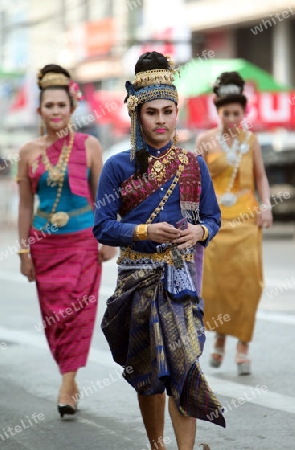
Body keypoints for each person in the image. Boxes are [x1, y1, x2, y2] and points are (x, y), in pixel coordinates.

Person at [93, 52, 225, 450]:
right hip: (136, 278)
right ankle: (156, 443)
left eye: (169, 111)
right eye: (153, 112)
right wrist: (147, 230)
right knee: (148, 369)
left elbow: (213, 219)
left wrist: (198, 232)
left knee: (184, 366)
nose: (162, 120)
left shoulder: (192, 164)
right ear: (137, 114)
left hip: (180, 281)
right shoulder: (118, 167)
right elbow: (102, 227)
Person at [16, 64, 115, 418]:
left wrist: (109, 237)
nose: (56, 112)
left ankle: (68, 382)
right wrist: (24, 250)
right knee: (55, 317)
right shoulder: (27, 151)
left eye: (62, 105)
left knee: (80, 314)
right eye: (49, 106)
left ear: (72, 108)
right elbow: (26, 205)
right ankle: (66, 374)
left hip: (84, 244)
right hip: (45, 247)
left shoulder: (89, 145)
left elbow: (103, 197)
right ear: (40, 110)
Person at [196, 71, 273, 376]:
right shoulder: (204, 141)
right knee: (215, 285)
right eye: (225, 112)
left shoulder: (251, 140)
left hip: (246, 220)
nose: (231, 118)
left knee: (248, 284)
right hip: (215, 221)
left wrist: (266, 205)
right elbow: (195, 183)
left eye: (236, 113)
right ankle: (219, 337)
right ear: (218, 112)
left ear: (244, 113)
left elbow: (261, 178)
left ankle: (243, 345)